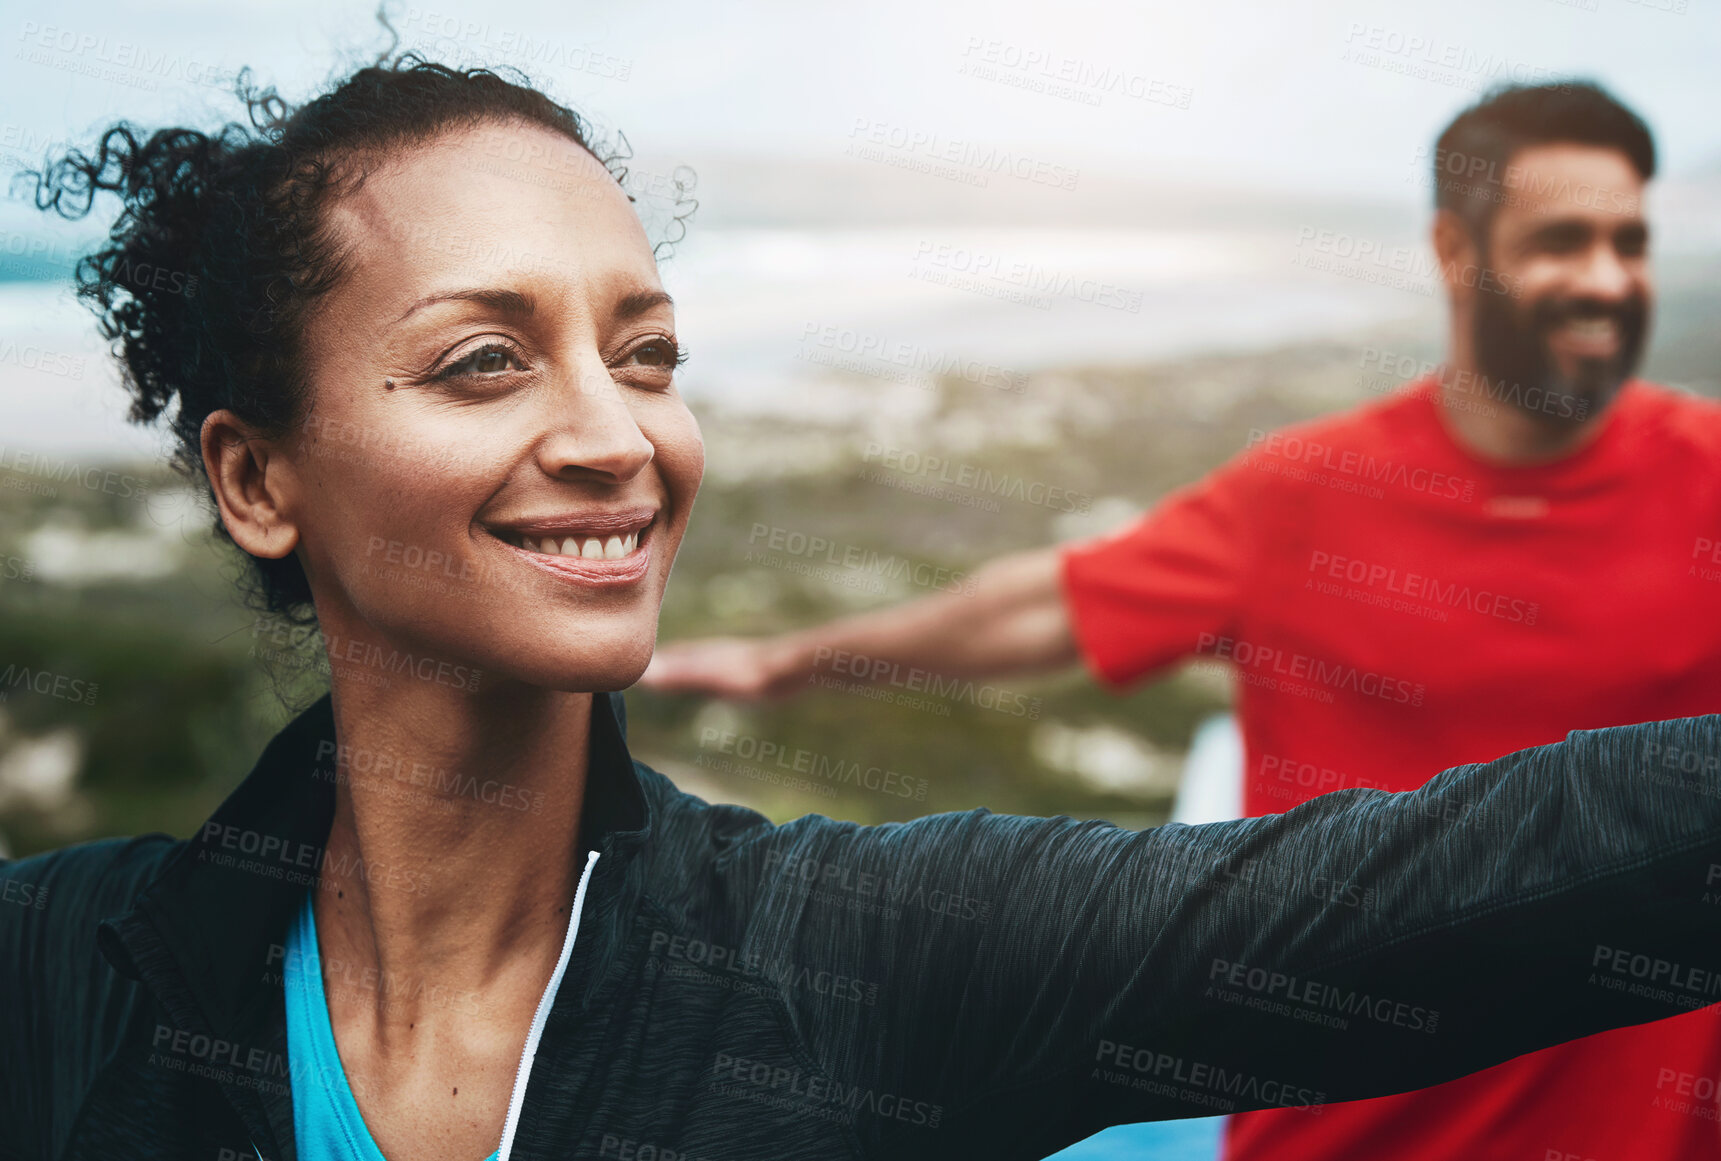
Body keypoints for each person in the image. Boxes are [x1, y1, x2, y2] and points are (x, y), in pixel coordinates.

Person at [5, 57, 1721, 1161]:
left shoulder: (859, 965)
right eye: (482, 360)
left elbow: (1409, 894)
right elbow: (1043, 604)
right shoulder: (55, 975)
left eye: (650, 353)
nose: (618, 435)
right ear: (255, 480)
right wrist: (815, 658)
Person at [645, 81, 1721, 1160]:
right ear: (1452, 249)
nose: (1605, 280)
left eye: (1628, 243)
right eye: (1560, 241)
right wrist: (784, 660)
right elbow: (1045, 609)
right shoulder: (1305, 495)